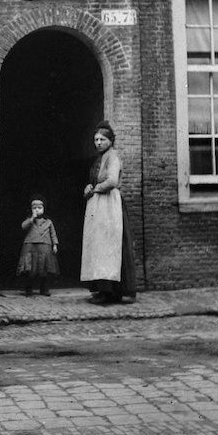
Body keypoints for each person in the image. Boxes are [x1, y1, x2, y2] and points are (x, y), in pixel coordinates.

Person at [80, 120, 136, 304]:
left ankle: (111, 292)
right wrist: (89, 186)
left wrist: (95, 189)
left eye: (102, 139)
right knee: (98, 245)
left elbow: (112, 181)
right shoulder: (99, 158)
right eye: (95, 139)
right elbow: (96, 180)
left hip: (110, 206)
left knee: (108, 246)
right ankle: (102, 288)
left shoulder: (113, 157)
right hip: (98, 206)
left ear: (110, 141)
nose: (98, 143)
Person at [17, 194, 59, 297]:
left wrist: (55, 245)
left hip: (45, 247)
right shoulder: (29, 220)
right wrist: (32, 218)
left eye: (39, 208)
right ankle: (28, 289)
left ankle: (44, 289)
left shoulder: (48, 222)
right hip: (30, 246)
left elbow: (53, 234)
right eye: (34, 208)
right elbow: (23, 226)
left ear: (44, 209)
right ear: (31, 209)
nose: (37, 210)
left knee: (44, 269)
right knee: (30, 269)